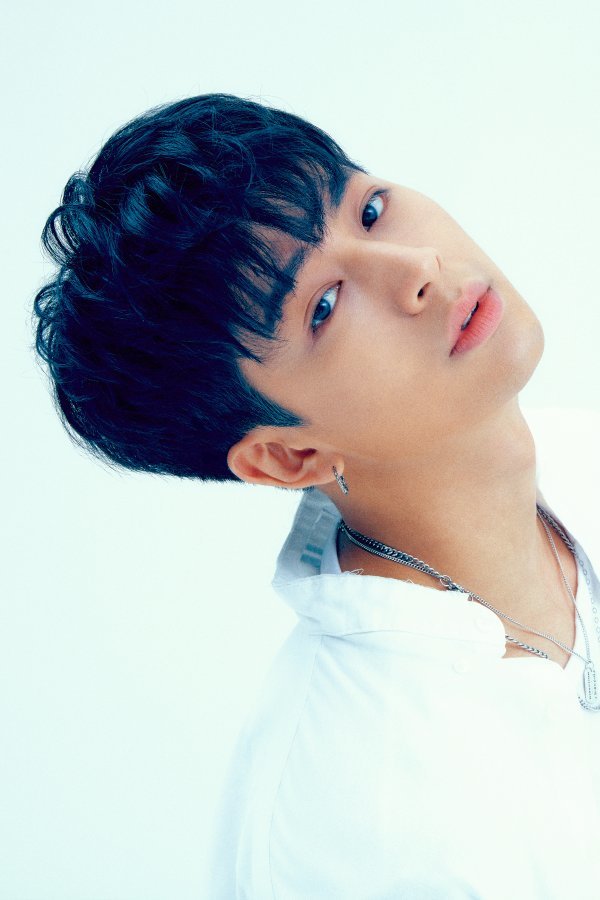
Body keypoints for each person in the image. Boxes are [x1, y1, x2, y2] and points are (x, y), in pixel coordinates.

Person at [32, 93, 600, 898]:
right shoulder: (357, 823)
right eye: (324, 307)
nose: (417, 268)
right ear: (287, 455)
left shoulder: (579, 452)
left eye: (368, 210)